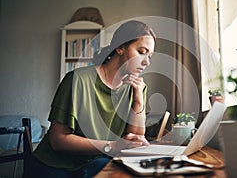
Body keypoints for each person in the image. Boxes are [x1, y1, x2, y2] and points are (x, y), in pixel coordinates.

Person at [24, 20, 156, 178]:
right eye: (141, 52)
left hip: (95, 162)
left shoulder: (138, 87)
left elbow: (135, 140)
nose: (146, 62)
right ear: (120, 48)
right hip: (56, 165)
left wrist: (138, 100)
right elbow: (57, 140)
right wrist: (112, 146)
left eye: (150, 56)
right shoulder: (77, 80)